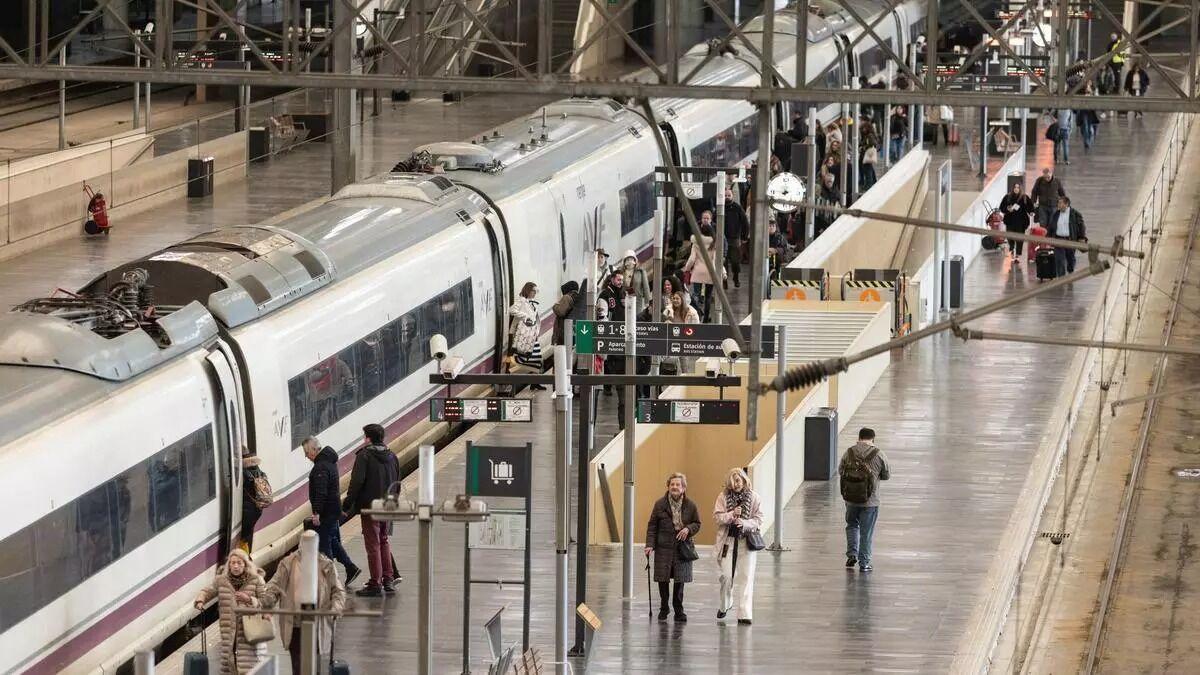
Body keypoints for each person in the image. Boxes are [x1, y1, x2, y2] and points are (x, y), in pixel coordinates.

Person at [262, 535, 347, 673]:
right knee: (298, 666)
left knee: (318, 666)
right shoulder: (288, 564)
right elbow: (274, 587)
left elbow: (338, 591)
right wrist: (264, 602)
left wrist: (335, 609)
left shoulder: (326, 565)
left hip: (319, 625)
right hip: (294, 625)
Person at [342, 423, 401, 597]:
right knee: (383, 540)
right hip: (387, 506)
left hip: (370, 508)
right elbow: (398, 481)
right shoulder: (392, 456)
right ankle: (388, 580)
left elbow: (356, 483)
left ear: (368, 438)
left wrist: (347, 503)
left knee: (373, 544)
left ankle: (375, 583)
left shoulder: (364, 456)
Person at [193, 549, 268, 675]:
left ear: (245, 564)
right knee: (229, 659)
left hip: (248, 629)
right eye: (232, 563)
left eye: (239, 563)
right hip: (228, 628)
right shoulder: (221, 580)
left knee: (247, 663)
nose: (235, 566)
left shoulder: (256, 580)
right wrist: (201, 600)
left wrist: (250, 599)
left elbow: (266, 602)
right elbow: (208, 591)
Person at [303, 437, 361, 586]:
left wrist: (316, 513)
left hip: (326, 513)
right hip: (333, 510)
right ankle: (351, 568)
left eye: (306, 452)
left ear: (314, 450)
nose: (306, 456)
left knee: (324, 546)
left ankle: (331, 582)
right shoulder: (330, 462)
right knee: (332, 541)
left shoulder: (320, 467)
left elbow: (321, 493)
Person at [645, 473, 701, 622]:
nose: (675, 487)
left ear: (683, 488)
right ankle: (664, 607)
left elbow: (697, 523)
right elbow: (652, 525)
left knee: (679, 581)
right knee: (662, 580)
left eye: (678, 485)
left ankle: (678, 609)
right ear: (668, 486)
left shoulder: (691, 505)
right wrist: (649, 545)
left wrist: (688, 529)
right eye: (672, 484)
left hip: (682, 547)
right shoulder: (659, 504)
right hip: (663, 547)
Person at [713, 468, 763, 626]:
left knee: (746, 577)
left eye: (738, 480)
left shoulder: (754, 497)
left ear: (744, 480)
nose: (735, 484)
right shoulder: (723, 497)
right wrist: (731, 515)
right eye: (732, 481)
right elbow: (717, 517)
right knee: (726, 576)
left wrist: (745, 523)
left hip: (746, 541)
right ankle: (725, 604)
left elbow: (759, 519)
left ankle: (744, 613)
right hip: (728, 541)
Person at [839, 428, 891, 572]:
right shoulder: (879, 454)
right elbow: (886, 475)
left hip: (850, 499)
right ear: (873, 439)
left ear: (859, 437)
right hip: (870, 501)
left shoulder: (849, 452)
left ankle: (851, 555)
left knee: (851, 525)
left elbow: (840, 471)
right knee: (866, 532)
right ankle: (864, 562)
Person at [507, 282, 544, 388]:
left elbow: (536, 318)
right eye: (533, 291)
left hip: (531, 335)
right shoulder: (521, 301)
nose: (534, 293)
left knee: (536, 359)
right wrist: (524, 316)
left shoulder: (533, 303)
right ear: (528, 290)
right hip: (522, 335)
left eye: (536, 291)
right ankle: (512, 374)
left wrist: (537, 330)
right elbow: (511, 310)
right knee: (527, 357)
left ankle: (534, 382)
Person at [682, 223, 718, 323]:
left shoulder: (696, 243)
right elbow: (716, 260)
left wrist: (687, 269)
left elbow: (692, 259)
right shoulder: (714, 243)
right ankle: (706, 317)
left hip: (698, 271)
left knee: (696, 294)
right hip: (710, 272)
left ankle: (697, 313)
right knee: (708, 296)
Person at [1050, 195, 1087, 277]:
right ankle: (1061, 277)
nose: (1058, 205)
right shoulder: (1056, 214)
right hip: (1058, 240)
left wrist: (1082, 237)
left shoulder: (1075, 214)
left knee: (1070, 258)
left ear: (1066, 204)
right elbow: (1052, 226)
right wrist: (1048, 237)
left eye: (1060, 203)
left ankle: (1070, 270)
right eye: (1058, 203)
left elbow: (1081, 227)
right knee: (1059, 260)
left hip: (1070, 240)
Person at [240, 451, 270, 552]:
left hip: (247, 510)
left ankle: (245, 560)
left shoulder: (243, 473)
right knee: (245, 538)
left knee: (242, 538)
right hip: (257, 508)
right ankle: (245, 558)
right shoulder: (258, 470)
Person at [999, 182, 1034, 263]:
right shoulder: (1007, 197)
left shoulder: (1024, 197)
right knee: (1010, 237)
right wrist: (1007, 209)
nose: (1016, 189)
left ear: (1020, 188)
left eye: (1018, 187)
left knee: (1019, 239)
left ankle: (1017, 255)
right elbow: (1002, 208)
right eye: (1015, 187)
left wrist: (1031, 212)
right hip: (1010, 221)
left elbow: (1030, 207)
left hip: (1021, 222)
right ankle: (1012, 249)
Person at [723, 188, 750, 288]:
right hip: (722, 238)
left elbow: (745, 222)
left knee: (735, 261)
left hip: (734, 239)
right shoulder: (720, 207)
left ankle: (736, 277)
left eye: (728, 195)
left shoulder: (737, 208)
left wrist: (744, 236)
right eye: (725, 195)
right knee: (723, 262)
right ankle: (724, 280)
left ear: (732, 196)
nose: (727, 197)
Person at [551, 280, 580, 347]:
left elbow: (561, 312)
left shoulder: (567, 297)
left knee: (562, 353)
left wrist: (555, 306)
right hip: (571, 330)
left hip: (563, 330)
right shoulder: (577, 297)